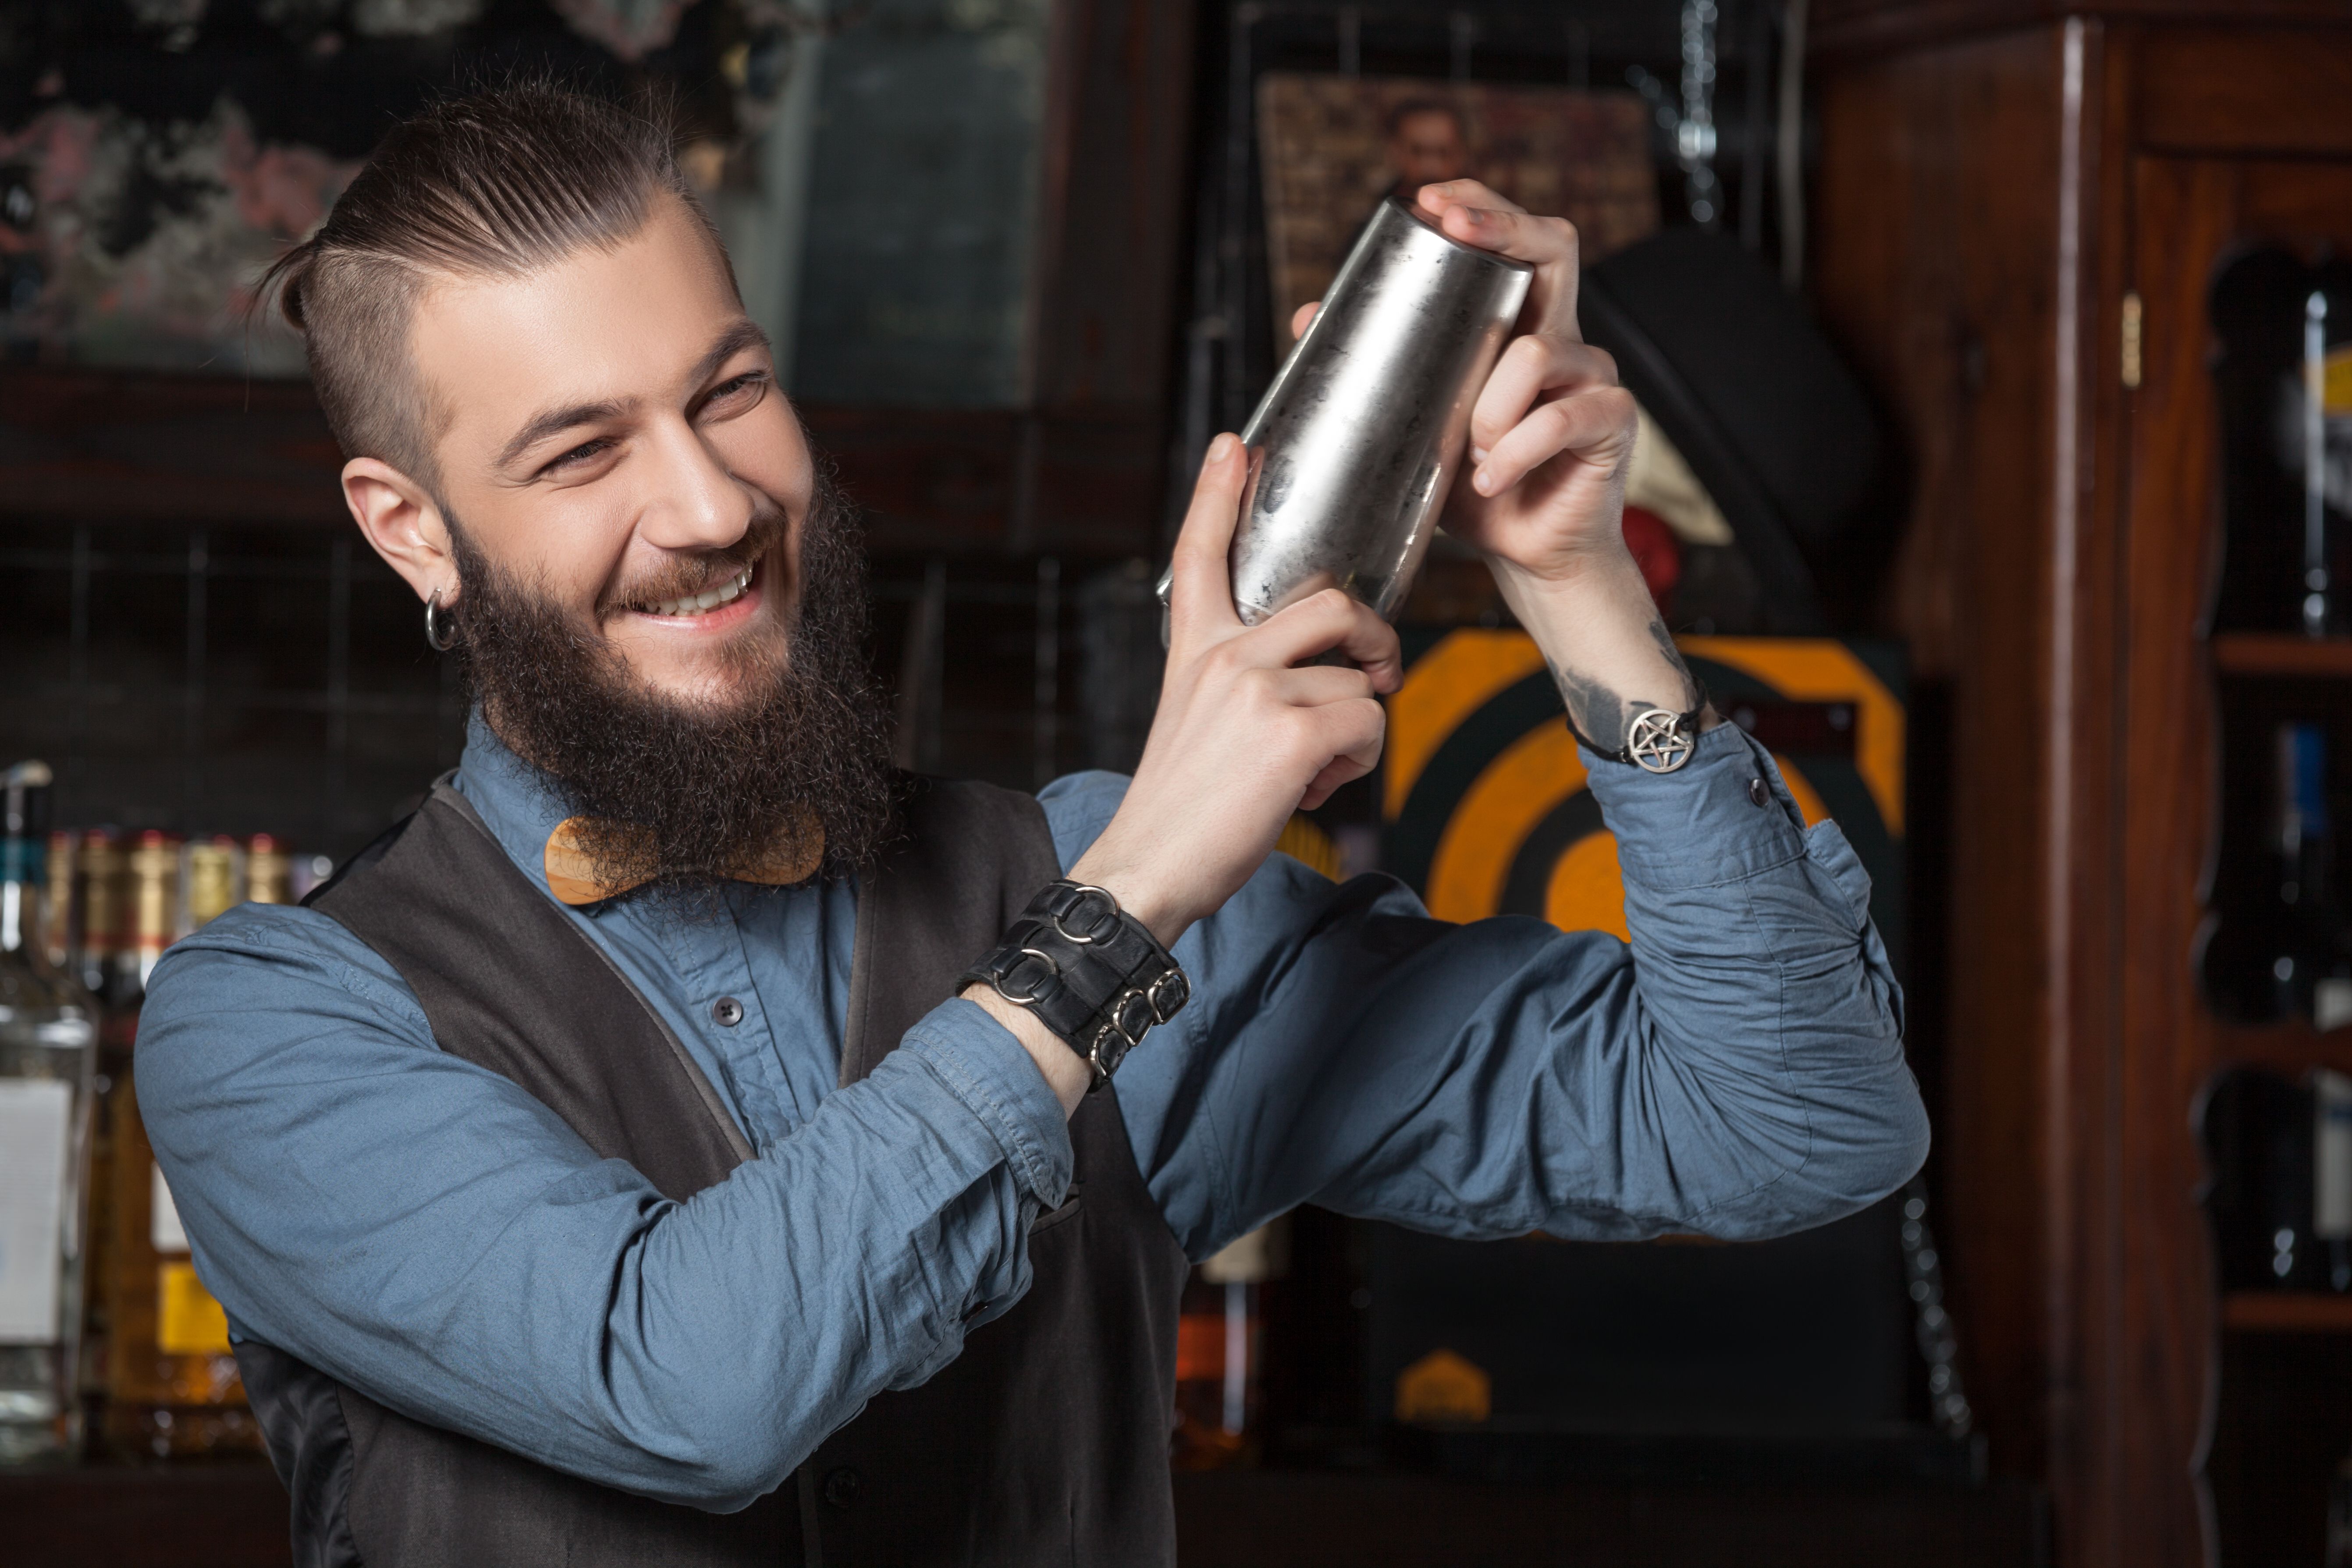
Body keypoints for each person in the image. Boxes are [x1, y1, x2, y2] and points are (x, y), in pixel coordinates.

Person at [138, 82, 1925, 1567]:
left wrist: (1577, 584)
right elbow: (691, 1388)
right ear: (411, 527)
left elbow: (1794, 1126)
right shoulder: (276, 1024)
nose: (707, 503)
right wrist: (1130, 893)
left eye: (728, 392)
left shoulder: (1102, 864)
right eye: (581, 452)